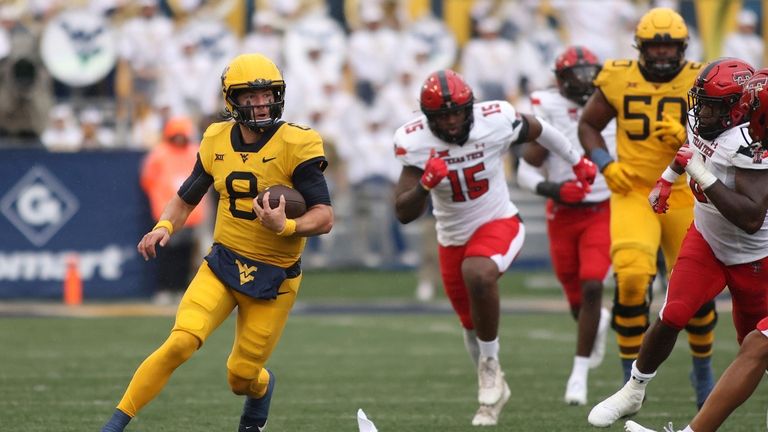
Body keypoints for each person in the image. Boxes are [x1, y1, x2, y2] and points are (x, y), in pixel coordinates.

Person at [100, 53, 334, 432]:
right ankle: (113, 424)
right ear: (231, 100)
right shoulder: (215, 138)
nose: (261, 103)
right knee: (180, 342)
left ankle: (262, 387)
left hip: (274, 278)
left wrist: (286, 226)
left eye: (267, 94)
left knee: (241, 378)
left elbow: (324, 217)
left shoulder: (298, 142)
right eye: (250, 96)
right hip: (223, 263)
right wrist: (164, 226)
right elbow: (186, 196)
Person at [394, 69, 596, 426]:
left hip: (499, 221)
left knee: (479, 272)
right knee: (471, 325)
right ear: (428, 119)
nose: (453, 121)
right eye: (443, 116)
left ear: (470, 107)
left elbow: (541, 130)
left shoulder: (496, 119)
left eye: (457, 112)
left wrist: (577, 161)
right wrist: (425, 185)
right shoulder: (415, 142)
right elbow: (404, 212)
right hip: (452, 237)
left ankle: (489, 368)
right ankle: (494, 388)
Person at [591, 57, 765, 427]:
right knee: (673, 312)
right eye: (700, 102)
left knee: (755, 348)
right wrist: (667, 179)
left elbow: (750, 218)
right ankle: (633, 389)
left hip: (755, 257)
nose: (701, 112)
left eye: (712, 106)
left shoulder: (752, 143)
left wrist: (699, 172)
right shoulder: (702, 119)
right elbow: (689, 151)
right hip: (706, 237)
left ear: (739, 108)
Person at [578, 9, 719, 422]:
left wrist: (687, 137)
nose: (660, 53)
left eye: (668, 46)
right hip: (633, 189)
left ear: (681, 49)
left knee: (693, 290)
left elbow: (721, 129)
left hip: (683, 190)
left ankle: (703, 372)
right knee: (634, 274)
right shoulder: (618, 76)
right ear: (640, 47)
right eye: (654, 45)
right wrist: (606, 163)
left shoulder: (698, 78)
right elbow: (588, 125)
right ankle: (629, 380)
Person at [516, 45, 614, 406]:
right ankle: (596, 322)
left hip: (603, 207)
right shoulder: (549, 107)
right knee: (577, 301)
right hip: (562, 212)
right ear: (562, 81)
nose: (588, 82)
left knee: (592, 285)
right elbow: (524, 169)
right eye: (580, 75)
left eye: (593, 74)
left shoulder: (612, 101)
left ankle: (579, 373)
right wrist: (555, 188)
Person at [140, 116, 208, 305]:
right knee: (165, 252)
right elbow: (147, 180)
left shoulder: (195, 152)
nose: (179, 139)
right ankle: (165, 289)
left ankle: (180, 289)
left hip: (191, 213)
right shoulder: (159, 154)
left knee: (186, 254)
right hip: (166, 211)